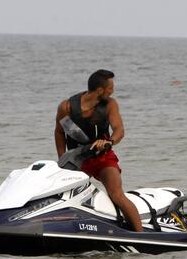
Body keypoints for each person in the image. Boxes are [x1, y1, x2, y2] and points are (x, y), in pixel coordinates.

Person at [54, 69, 143, 232]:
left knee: (117, 195)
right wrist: (62, 159)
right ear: (100, 90)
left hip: (102, 157)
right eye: (110, 88)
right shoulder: (66, 107)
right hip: (77, 159)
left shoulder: (110, 104)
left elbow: (119, 130)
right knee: (64, 197)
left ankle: (141, 235)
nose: (113, 91)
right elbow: (59, 132)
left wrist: (109, 141)